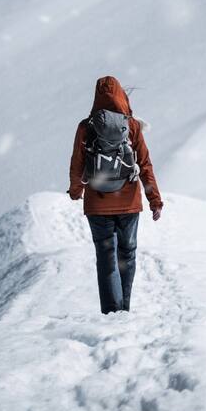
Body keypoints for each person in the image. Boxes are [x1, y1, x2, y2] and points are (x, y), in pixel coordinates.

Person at [67, 76, 163, 314]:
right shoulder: (131, 126)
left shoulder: (86, 126)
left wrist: (76, 191)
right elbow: (145, 164)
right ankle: (124, 310)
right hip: (129, 203)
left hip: (97, 205)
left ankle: (112, 313)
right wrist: (155, 201)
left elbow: (77, 164)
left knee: (106, 256)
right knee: (127, 255)